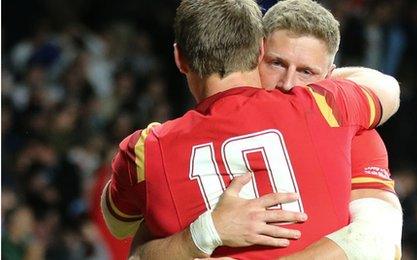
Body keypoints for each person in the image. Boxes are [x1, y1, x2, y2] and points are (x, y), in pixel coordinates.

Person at [101, 0, 401, 259]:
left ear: (180, 58)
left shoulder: (147, 149)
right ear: (259, 52)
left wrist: (202, 235)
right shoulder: (329, 109)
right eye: (276, 64)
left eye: (307, 72)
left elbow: (378, 241)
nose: (288, 84)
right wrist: (208, 230)